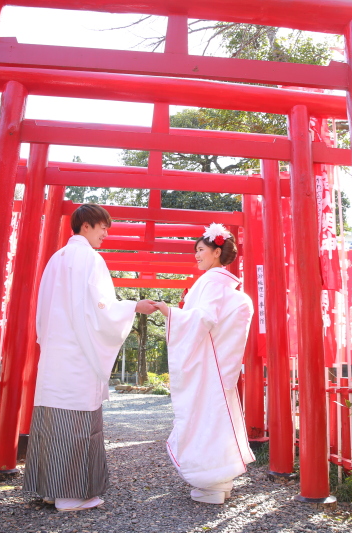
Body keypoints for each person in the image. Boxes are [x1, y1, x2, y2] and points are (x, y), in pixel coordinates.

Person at [24, 203, 156, 512]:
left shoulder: (56, 259)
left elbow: (43, 310)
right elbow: (101, 309)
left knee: (51, 421)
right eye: (102, 227)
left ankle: (51, 490)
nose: (106, 234)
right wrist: (134, 306)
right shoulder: (90, 259)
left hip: (55, 353)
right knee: (77, 423)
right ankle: (71, 496)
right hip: (78, 354)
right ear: (86, 226)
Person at [152, 223, 255, 504]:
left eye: (200, 250)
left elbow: (203, 318)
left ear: (216, 251)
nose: (196, 255)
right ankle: (220, 480)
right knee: (217, 418)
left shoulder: (210, 282)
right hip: (221, 367)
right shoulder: (225, 284)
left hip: (210, 366)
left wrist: (168, 311)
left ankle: (210, 482)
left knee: (204, 419)